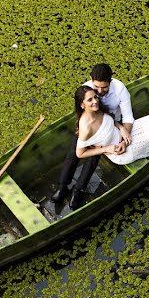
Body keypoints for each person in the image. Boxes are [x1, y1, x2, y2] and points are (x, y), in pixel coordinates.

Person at [53, 63, 135, 206]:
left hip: (111, 123)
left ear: (110, 81)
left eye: (104, 87)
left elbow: (128, 117)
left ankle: (79, 190)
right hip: (89, 124)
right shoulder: (87, 89)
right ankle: (63, 187)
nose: (99, 91)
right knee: (73, 152)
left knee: (93, 156)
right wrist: (82, 129)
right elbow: (81, 111)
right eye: (96, 87)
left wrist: (123, 136)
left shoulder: (120, 90)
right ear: (91, 79)